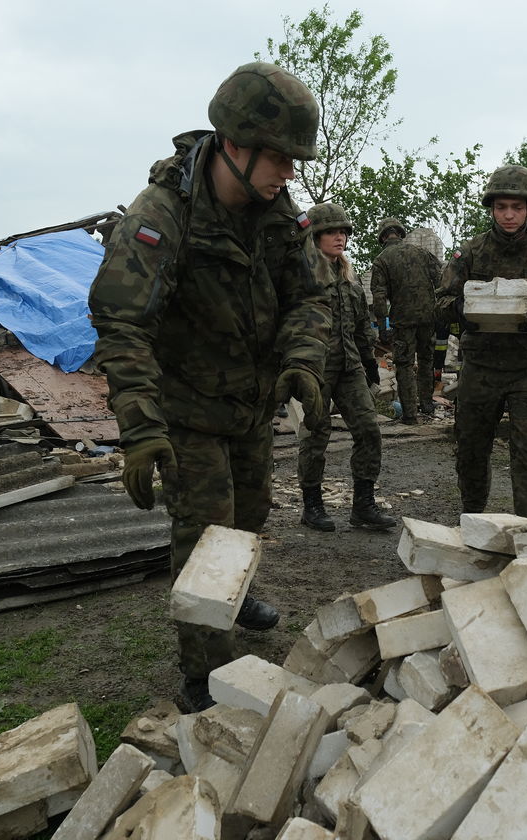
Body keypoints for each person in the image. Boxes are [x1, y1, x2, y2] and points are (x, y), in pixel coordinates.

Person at [88, 62, 331, 711]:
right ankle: (205, 673)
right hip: (187, 407)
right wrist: (141, 429)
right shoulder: (161, 215)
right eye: (280, 157)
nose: (289, 173)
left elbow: (312, 296)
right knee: (204, 539)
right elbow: (122, 323)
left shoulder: (277, 213)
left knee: (248, 521)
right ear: (236, 144)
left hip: (250, 406)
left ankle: (237, 590)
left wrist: (302, 362)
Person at [436, 165, 527, 519]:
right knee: (471, 448)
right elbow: (439, 304)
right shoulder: (470, 252)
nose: (508, 215)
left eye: (516, 208)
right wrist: (459, 307)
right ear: (491, 208)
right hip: (481, 369)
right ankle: (473, 520)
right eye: (501, 207)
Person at [298, 202, 397, 532]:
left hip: (349, 367)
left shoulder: (350, 281)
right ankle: (312, 505)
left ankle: (363, 505)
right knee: (316, 434)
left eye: (343, 232)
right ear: (315, 236)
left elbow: (361, 330)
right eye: (331, 232)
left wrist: (370, 367)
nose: (339, 237)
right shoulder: (303, 279)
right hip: (315, 369)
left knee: (369, 430)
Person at [370, 217, 442, 424]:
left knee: (404, 365)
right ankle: (427, 406)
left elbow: (379, 297)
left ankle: (410, 414)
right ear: (401, 234)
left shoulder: (382, 260)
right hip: (429, 318)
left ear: (383, 237)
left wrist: (383, 328)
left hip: (402, 321)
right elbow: (440, 282)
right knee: (427, 361)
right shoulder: (422, 253)